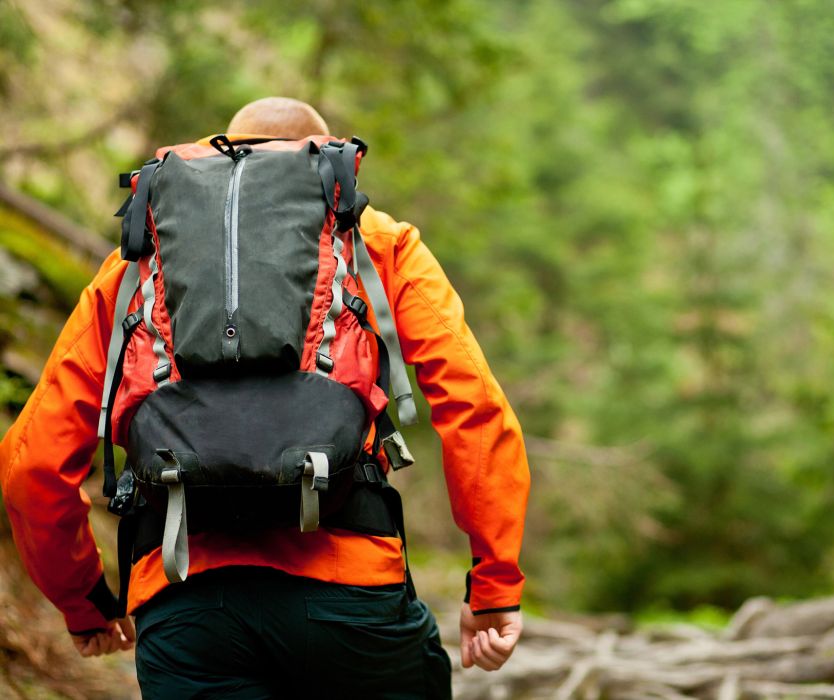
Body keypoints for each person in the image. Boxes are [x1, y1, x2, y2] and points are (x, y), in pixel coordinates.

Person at [0, 97, 530, 698]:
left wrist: (86, 601)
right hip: (350, 592)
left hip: (186, 605)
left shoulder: (137, 263)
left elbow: (32, 467)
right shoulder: (375, 242)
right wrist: (493, 587)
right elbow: (474, 409)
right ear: (324, 158)